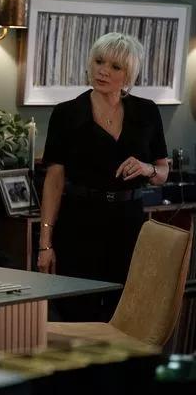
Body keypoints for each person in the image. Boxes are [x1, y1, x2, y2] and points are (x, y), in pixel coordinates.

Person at [37, 33, 169, 322]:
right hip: (79, 224)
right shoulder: (67, 113)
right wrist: (45, 243)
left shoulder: (147, 112)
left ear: (128, 74)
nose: (103, 71)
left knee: (123, 314)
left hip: (129, 224)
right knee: (76, 314)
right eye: (99, 62)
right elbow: (54, 181)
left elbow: (162, 172)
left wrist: (147, 169)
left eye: (115, 66)